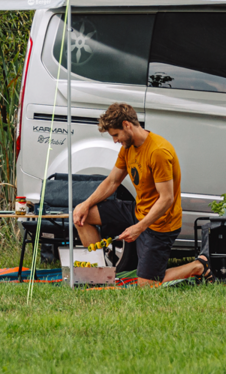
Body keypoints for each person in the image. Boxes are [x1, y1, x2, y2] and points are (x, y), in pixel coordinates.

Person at [71, 102, 209, 286]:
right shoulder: (128, 148)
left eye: (115, 135)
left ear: (127, 125)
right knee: (83, 216)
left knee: (146, 285)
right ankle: (99, 277)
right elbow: (112, 181)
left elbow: (167, 199)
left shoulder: (158, 151)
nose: (115, 140)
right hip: (138, 210)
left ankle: (198, 266)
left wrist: (139, 227)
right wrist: (85, 204)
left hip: (160, 223)